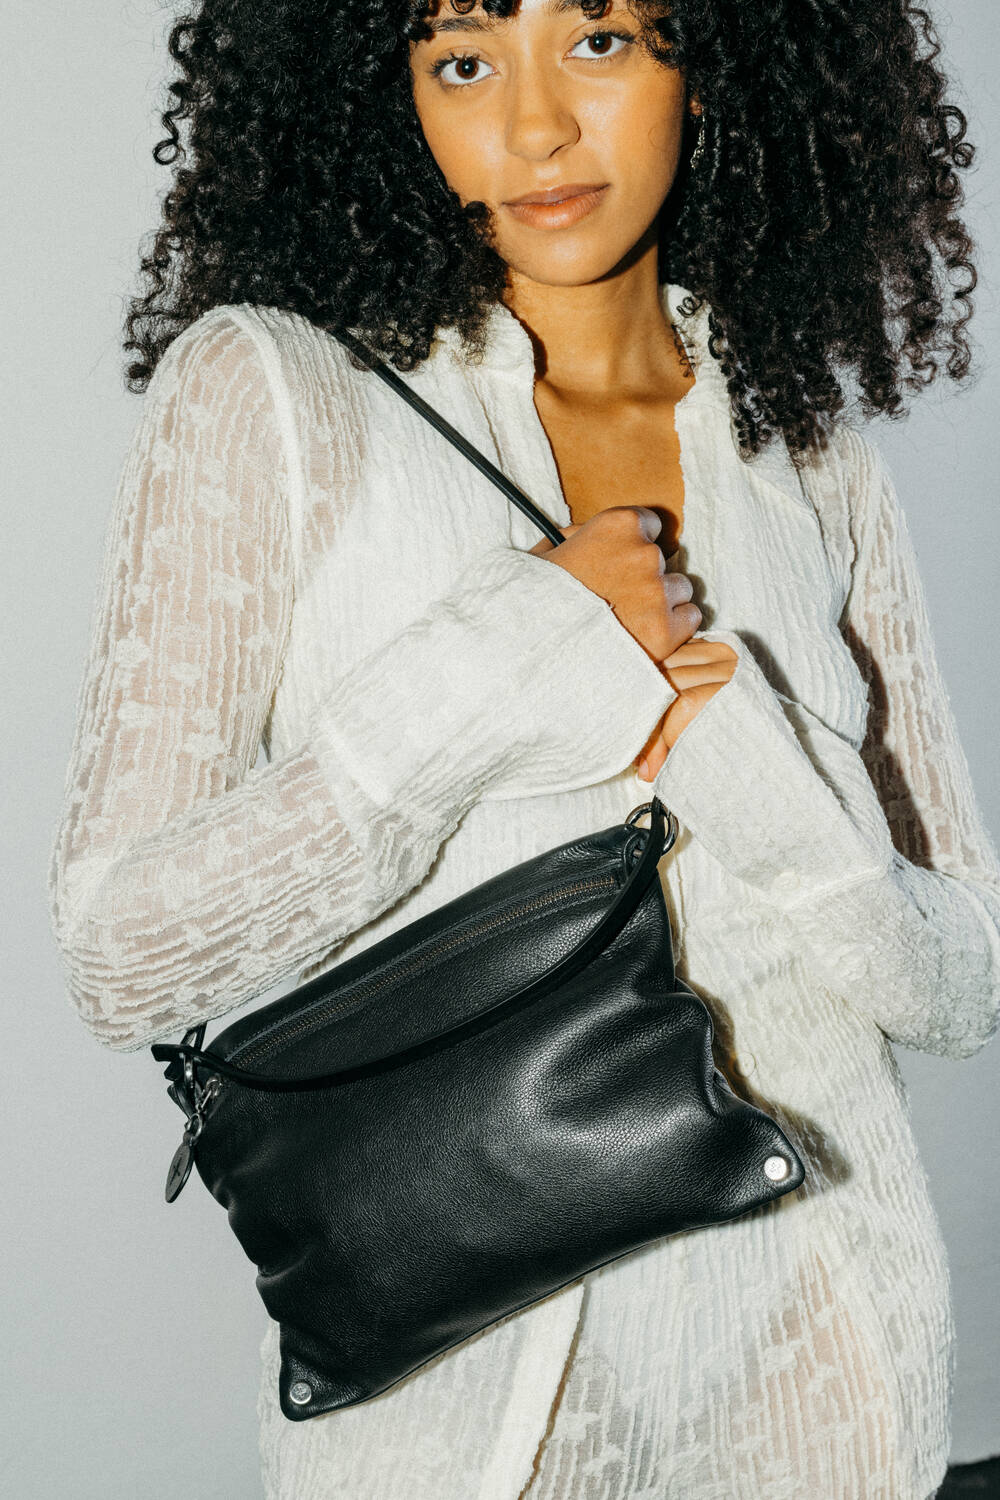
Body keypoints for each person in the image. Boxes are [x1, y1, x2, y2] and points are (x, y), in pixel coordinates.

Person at [46, 0, 1000, 1495]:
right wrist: (506, 667)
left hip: (826, 1371)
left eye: (606, 40)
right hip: (454, 1405)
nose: (539, 125)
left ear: (722, 59)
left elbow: (970, 979)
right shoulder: (284, 398)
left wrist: (741, 754)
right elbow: (120, 955)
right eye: (465, 62)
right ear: (388, 94)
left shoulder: (806, 456)